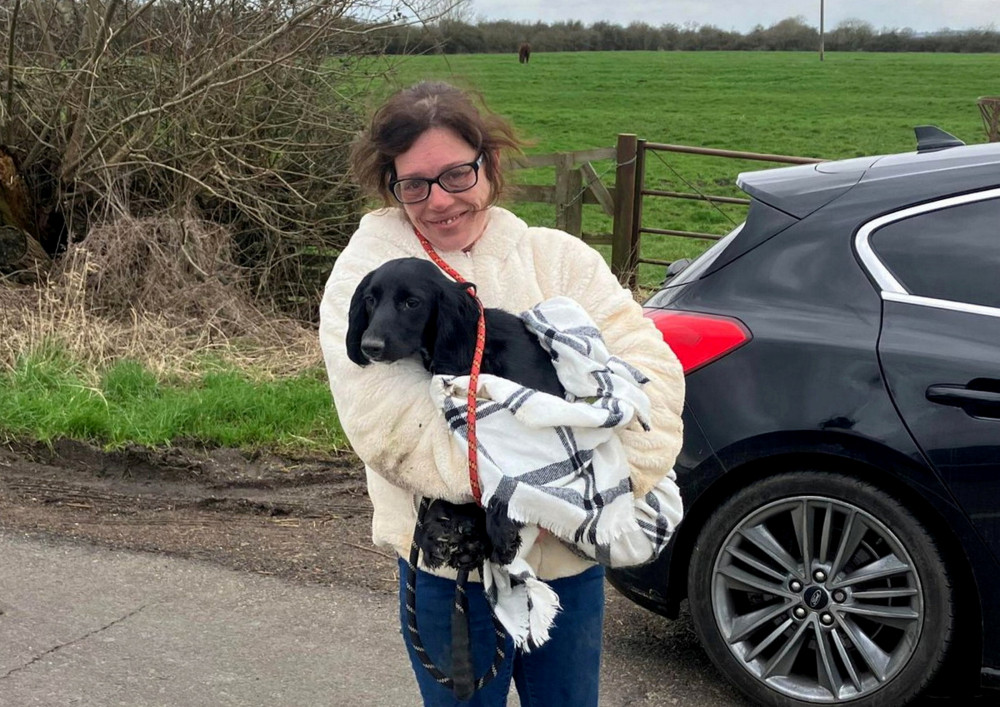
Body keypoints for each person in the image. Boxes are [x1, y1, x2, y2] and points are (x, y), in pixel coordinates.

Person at [319, 81, 684, 706]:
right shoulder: (369, 275)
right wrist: (553, 481)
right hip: (451, 567)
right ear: (393, 187)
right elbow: (388, 420)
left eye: (457, 174)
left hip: (568, 562)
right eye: (415, 184)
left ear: (488, 164)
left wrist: (612, 481)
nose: (439, 201)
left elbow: (651, 371)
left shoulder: (559, 259)